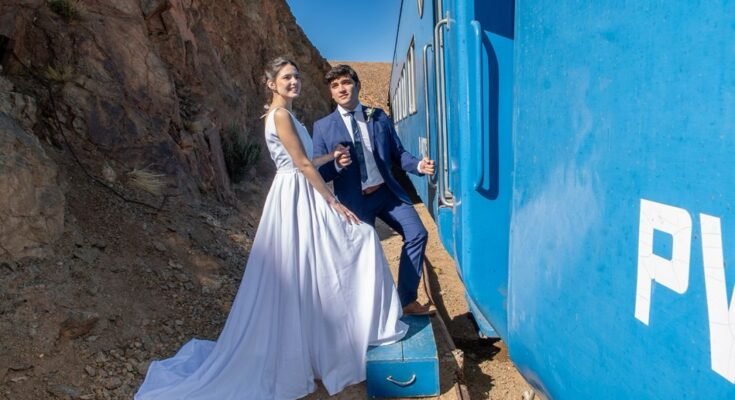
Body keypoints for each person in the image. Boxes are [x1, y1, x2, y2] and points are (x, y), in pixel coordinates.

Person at [135, 57, 408, 400]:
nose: (294, 81)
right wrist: (333, 202)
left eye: (296, 76)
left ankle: (328, 342)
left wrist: (331, 157)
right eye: (286, 77)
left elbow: (304, 159)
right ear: (271, 83)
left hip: (297, 191)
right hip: (297, 195)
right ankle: (343, 340)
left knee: (319, 263)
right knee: (356, 242)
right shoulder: (280, 115)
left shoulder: (286, 115)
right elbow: (302, 164)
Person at [312, 64, 435, 316]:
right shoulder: (323, 127)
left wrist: (418, 165)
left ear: (357, 85)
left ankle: (407, 300)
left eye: (346, 82)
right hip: (354, 201)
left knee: (417, 233)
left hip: (387, 194)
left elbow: (398, 153)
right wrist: (337, 164)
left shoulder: (378, 116)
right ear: (331, 93)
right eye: (335, 86)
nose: (341, 89)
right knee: (360, 255)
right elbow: (319, 171)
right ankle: (365, 311)